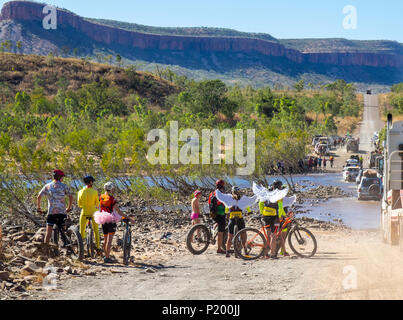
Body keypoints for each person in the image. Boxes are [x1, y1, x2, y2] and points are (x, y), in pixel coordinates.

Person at [97, 182, 135, 263]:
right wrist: (129, 218)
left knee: (105, 239)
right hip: (111, 220)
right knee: (109, 241)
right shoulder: (112, 199)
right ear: (111, 189)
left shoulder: (101, 197)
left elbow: (99, 207)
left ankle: (105, 256)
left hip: (103, 219)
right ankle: (107, 258)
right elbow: (119, 211)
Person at [215, 186, 257, 258]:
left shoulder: (228, 199)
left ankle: (227, 252)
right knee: (243, 235)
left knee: (230, 237)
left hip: (232, 219)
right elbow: (246, 205)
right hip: (240, 219)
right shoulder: (242, 199)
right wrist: (249, 212)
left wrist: (227, 213)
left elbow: (226, 210)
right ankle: (245, 250)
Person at [37, 170, 73, 246]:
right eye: (62, 177)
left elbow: (39, 196)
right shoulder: (64, 186)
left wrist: (39, 208)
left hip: (51, 212)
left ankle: (46, 250)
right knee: (64, 229)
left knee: (48, 233)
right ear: (60, 177)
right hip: (62, 212)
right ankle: (68, 244)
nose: (63, 179)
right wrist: (69, 207)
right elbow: (70, 196)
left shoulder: (47, 186)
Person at [77, 176, 101, 255]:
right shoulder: (94, 192)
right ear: (90, 182)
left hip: (84, 212)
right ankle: (98, 248)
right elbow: (97, 203)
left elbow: (79, 204)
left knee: (81, 230)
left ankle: (81, 248)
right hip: (93, 212)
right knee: (96, 230)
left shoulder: (80, 191)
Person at [208, 180, 227, 254]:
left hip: (212, 213)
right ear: (222, 185)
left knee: (218, 222)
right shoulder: (221, 194)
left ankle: (213, 228)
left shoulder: (212, 193)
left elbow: (209, 202)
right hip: (220, 214)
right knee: (221, 232)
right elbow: (223, 203)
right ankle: (219, 248)